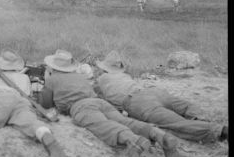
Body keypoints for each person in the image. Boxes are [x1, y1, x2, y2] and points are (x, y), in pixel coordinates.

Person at [38, 49, 180, 157]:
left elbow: (45, 105)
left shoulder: (52, 80)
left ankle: (133, 141)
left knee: (103, 125)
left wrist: (45, 82)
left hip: (81, 106)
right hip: (100, 103)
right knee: (125, 121)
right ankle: (159, 135)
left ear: (52, 67)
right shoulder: (80, 76)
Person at [94, 51, 228, 144]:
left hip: (138, 102)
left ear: (104, 68)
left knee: (176, 123)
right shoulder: (124, 76)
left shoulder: (101, 79)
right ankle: (201, 117)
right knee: (185, 106)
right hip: (154, 92)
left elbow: (97, 97)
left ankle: (220, 131)